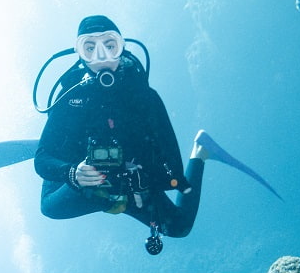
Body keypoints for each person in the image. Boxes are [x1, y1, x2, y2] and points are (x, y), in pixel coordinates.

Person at [34, 15, 206, 255]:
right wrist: (71, 172)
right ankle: (63, 150)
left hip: (128, 188)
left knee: (180, 227)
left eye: (109, 45)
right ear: (80, 53)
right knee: (49, 206)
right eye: (90, 48)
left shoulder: (145, 97)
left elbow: (172, 169)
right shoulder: (70, 98)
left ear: (121, 47)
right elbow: (42, 160)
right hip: (87, 180)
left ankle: (201, 152)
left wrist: (143, 181)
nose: (101, 56)